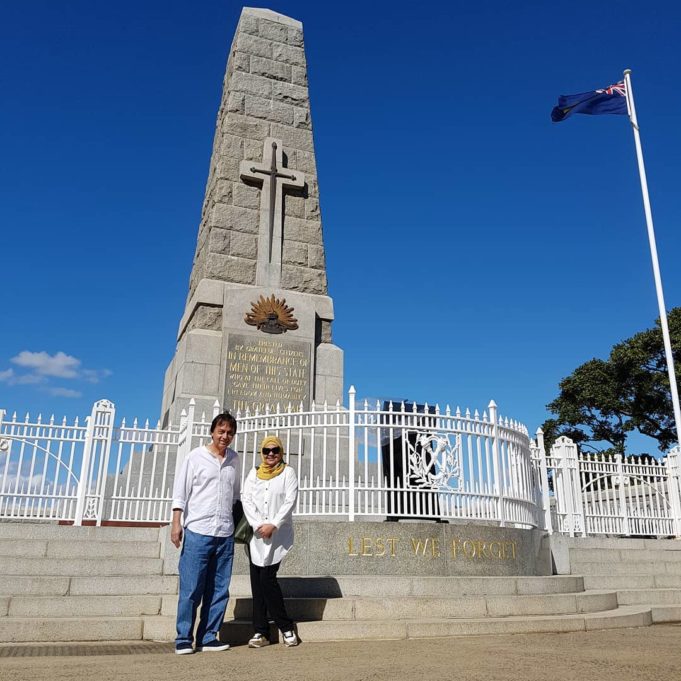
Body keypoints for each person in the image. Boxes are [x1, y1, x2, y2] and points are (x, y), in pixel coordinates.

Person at [170, 411, 240, 655]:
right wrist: (176, 523)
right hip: (198, 530)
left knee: (219, 589)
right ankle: (183, 638)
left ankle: (208, 636)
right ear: (212, 432)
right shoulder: (195, 457)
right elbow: (181, 492)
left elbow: (235, 496)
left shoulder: (234, 459)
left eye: (230, 432)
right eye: (221, 431)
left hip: (224, 532)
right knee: (191, 588)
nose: (225, 436)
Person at [241, 435, 299, 648]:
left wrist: (273, 524)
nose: (271, 454)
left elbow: (290, 500)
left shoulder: (288, 472)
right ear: (262, 453)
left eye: (275, 450)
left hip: (277, 535)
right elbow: (246, 498)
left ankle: (285, 627)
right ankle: (261, 631)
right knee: (257, 583)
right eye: (267, 451)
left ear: (281, 451)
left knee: (267, 579)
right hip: (256, 535)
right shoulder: (254, 473)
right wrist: (258, 524)